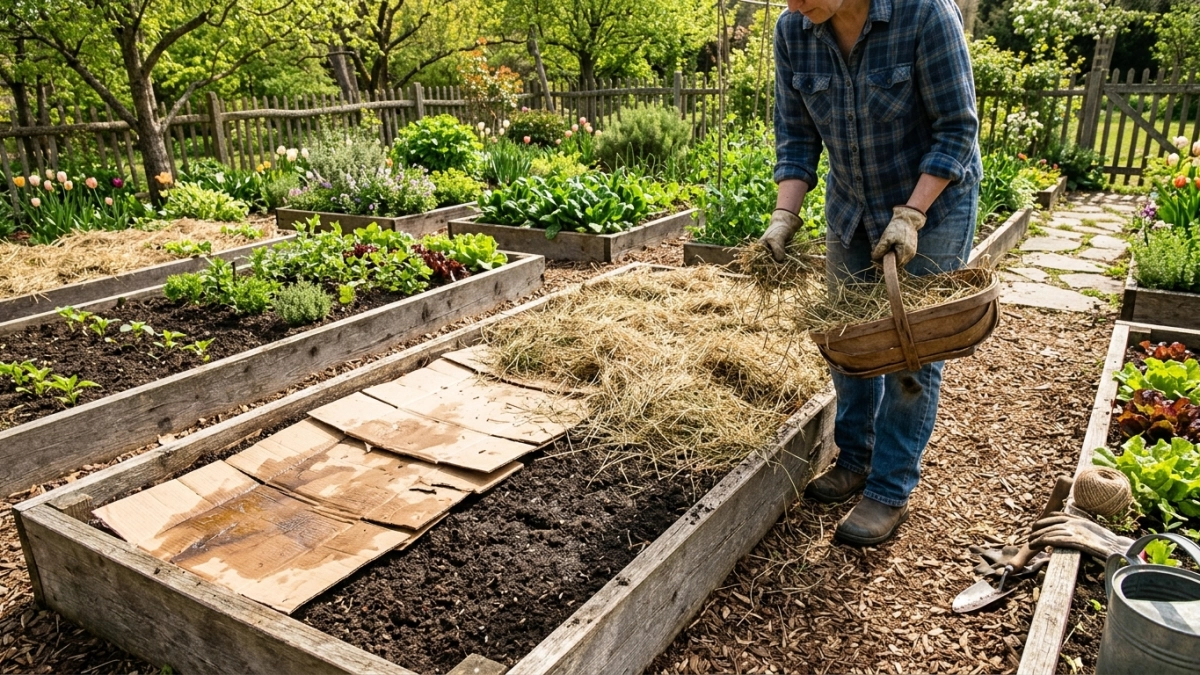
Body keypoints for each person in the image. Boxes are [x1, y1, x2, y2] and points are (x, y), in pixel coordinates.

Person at [761, 0, 982, 545]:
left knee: (912, 349)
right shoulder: (794, 31)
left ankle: (889, 487)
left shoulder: (925, 15)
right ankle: (855, 458)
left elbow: (956, 130)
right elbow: (796, 137)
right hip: (852, 208)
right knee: (848, 341)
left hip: (933, 206)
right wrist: (784, 217)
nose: (793, 4)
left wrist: (910, 216)